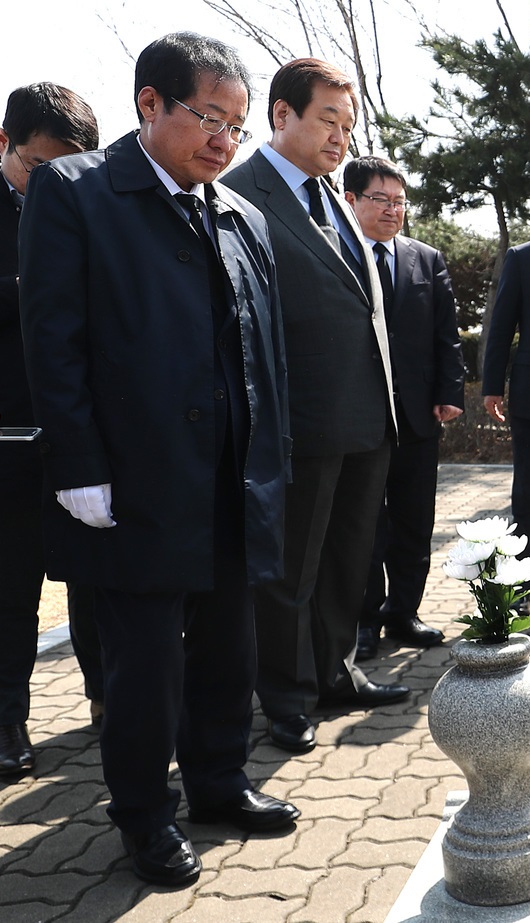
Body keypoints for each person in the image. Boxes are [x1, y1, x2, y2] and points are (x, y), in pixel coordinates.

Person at [18, 32, 299, 888]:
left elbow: (267, 355)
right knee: (145, 660)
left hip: (231, 475)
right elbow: (53, 340)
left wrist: (273, 463)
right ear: (150, 104)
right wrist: (79, 465)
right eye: (209, 116)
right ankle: (144, 814)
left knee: (227, 646)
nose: (224, 140)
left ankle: (218, 781)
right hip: (134, 478)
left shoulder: (242, 214)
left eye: (237, 126)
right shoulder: (78, 193)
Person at [223, 58, 410, 756]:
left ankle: (335, 672)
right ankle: (288, 695)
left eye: (348, 124)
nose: (340, 137)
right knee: (291, 570)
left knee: (347, 562)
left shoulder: (334, 194)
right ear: (281, 115)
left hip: (364, 416)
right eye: (327, 119)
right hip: (296, 421)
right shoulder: (240, 193)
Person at [0, 83, 104, 778]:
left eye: (69, 167)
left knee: (99, 581)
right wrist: (21, 289)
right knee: (8, 588)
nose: (53, 182)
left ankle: (110, 701)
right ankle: (6, 722)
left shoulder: (92, 214)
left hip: (82, 436)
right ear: (1, 142)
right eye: (38, 166)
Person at [343, 156, 464, 660]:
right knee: (365, 523)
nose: (393, 210)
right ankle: (363, 621)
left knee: (415, 520)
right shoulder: (336, 253)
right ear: (350, 200)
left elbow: (445, 336)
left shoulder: (424, 258)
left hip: (417, 417)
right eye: (380, 199)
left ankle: (404, 613)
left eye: (399, 201)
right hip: (357, 417)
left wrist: (450, 393)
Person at [483, 241, 530, 553]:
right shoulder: (521, 258)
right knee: (527, 491)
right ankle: (525, 577)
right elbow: (501, 328)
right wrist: (492, 387)